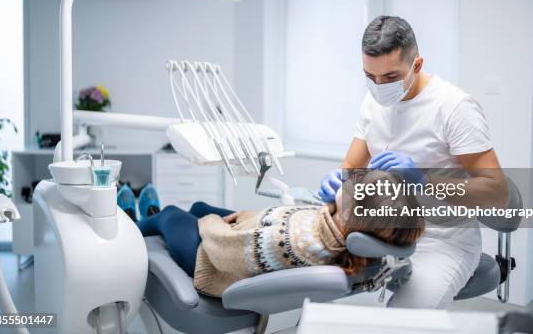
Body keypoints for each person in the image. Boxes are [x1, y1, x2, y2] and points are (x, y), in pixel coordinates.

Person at [317, 16, 508, 309]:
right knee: (311, 279)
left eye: (391, 77)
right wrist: (340, 180)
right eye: (370, 77)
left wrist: (423, 179)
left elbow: (496, 192)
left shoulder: (454, 107)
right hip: (382, 232)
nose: (379, 86)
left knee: (399, 323)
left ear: (417, 65)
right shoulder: (372, 103)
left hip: (443, 241)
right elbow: (351, 168)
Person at [136, 172, 424, 298]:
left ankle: (134, 227)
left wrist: (213, 223)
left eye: (358, 183)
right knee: (198, 206)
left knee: (172, 213)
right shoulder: (341, 232)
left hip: (210, 260)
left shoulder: (294, 243)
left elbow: (225, 250)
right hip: (249, 238)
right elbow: (280, 223)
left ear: (351, 216)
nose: (353, 178)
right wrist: (246, 218)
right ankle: (159, 215)